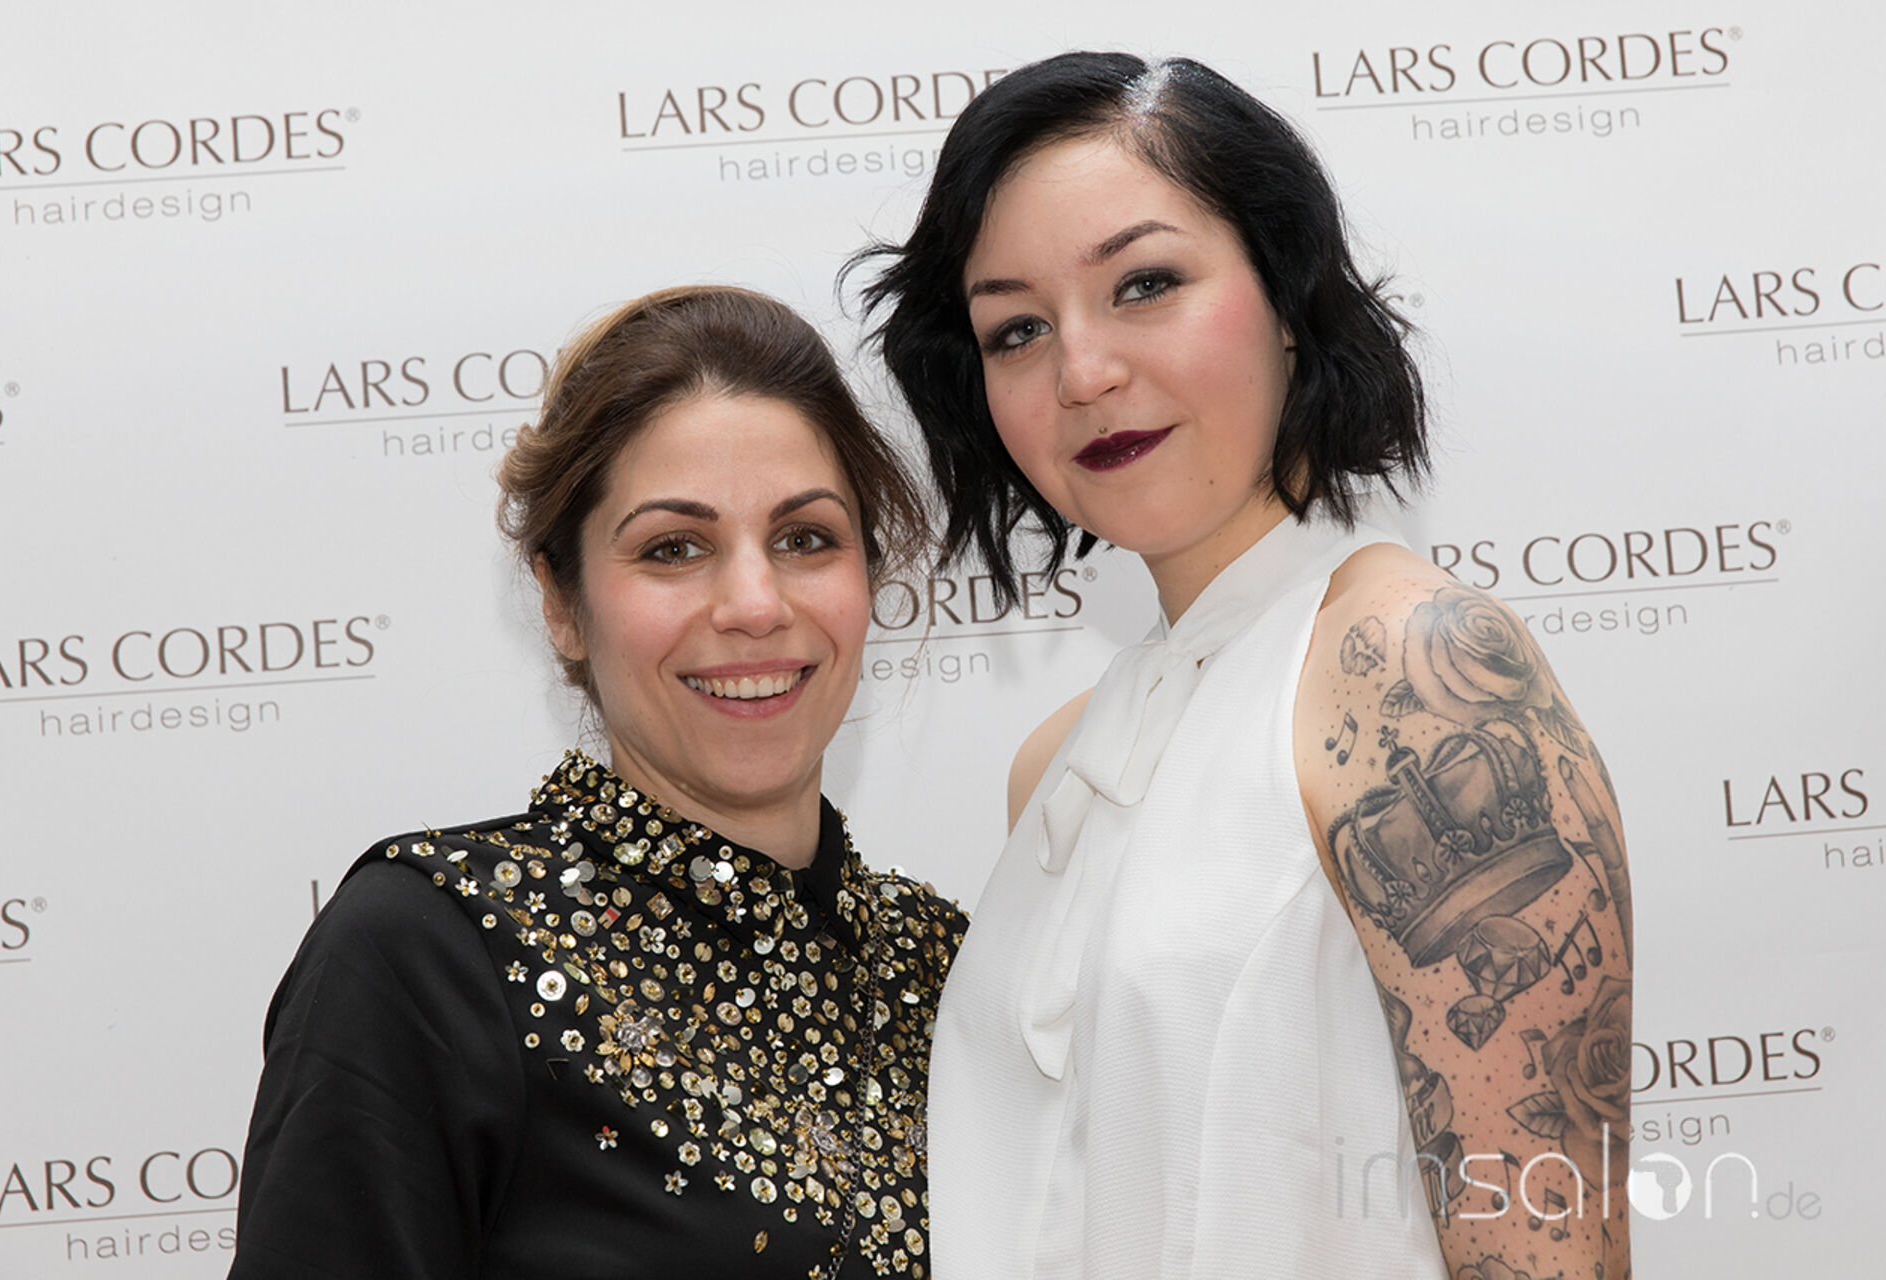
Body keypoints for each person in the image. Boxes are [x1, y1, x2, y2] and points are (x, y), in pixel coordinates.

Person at [857, 52, 1633, 1280]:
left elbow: (1547, 1250)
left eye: (1145, 283)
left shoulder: (1407, 669)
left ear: (1284, 291)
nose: (1081, 371)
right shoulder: (1057, 766)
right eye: (1017, 329)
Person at [231, 286, 964, 1280]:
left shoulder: (948, 964)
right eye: (674, 548)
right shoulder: (433, 951)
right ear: (562, 603)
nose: (755, 603)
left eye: (805, 538)